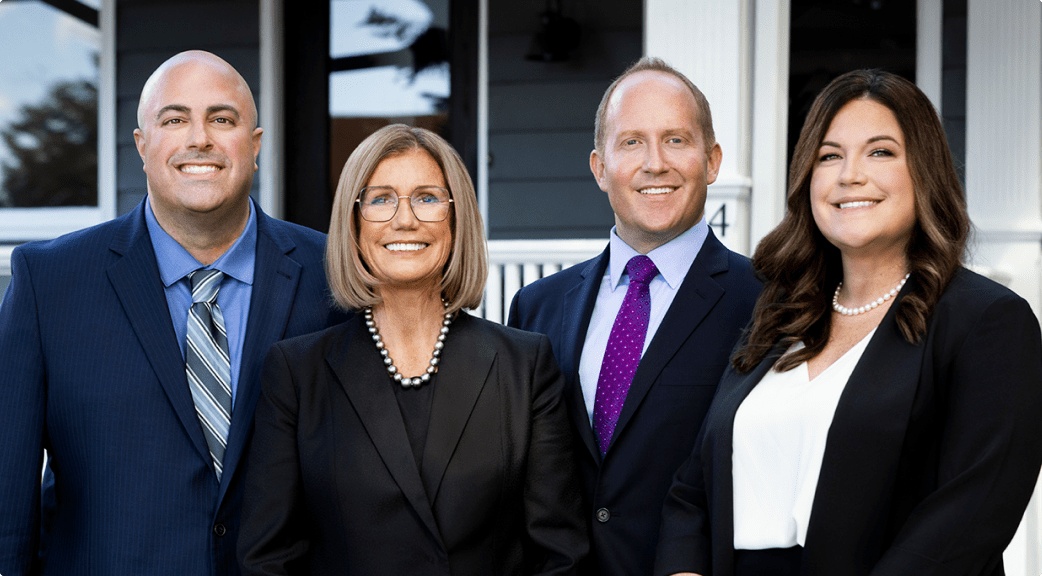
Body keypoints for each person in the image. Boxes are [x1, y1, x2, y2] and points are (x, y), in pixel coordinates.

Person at [654, 69, 1042, 576]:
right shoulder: (779, 315)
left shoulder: (986, 320)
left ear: (924, 170)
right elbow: (693, 489)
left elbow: (970, 517)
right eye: (829, 155)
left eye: (880, 152)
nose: (849, 175)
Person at [0, 51, 345, 575]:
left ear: (254, 147)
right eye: (175, 119)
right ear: (143, 145)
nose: (199, 138)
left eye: (222, 119)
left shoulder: (335, 278)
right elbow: (8, 499)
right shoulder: (48, 282)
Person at [237, 124, 588, 575]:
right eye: (381, 199)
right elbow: (268, 560)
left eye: (427, 198)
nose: (406, 220)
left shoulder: (524, 366)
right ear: (354, 222)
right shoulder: (296, 373)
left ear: (456, 219)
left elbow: (561, 556)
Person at [507, 57, 762, 576]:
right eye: (631, 142)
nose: (655, 163)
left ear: (712, 161)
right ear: (600, 168)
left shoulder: (767, 300)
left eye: (676, 139)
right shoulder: (537, 306)